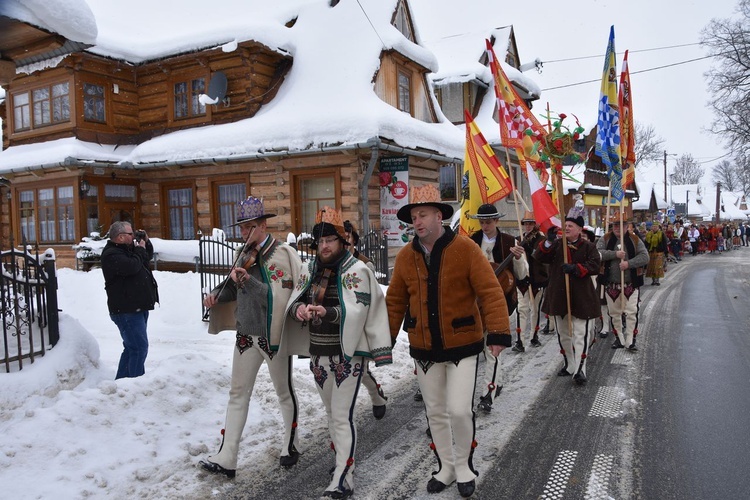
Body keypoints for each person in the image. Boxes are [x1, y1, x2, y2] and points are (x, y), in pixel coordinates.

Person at [386, 185, 511, 498]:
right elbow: (394, 302)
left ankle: (464, 465)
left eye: (423, 214)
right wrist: (381, 342)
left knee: (458, 410)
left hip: (462, 345)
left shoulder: (465, 249)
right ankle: (446, 468)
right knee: (435, 412)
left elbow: (490, 290)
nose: (417, 221)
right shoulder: (404, 257)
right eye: (413, 216)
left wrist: (497, 331)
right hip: (424, 349)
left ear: (439, 216)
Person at [286, 206, 392, 499]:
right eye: (319, 241)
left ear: (342, 241)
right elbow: (292, 302)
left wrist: (329, 312)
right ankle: (341, 462)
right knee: (332, 415)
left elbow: (360, 310)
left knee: (342, 415)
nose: (324, 246)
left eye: (329, 240)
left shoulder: (357, 270)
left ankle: (344, 477)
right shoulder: (309, 270)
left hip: (348, 357)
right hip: (318, 355)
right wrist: (300, 310)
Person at [199, 196, 305, 479]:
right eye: (242, 228)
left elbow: (275, 299)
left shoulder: (281, 254)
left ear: (262, 226)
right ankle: (227, 456)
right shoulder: (243, 253)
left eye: (248, 228)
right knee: (237, 394)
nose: (243, 234)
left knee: (283, 391)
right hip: (245, 335)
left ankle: (290, 443)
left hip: (272, 336)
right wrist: (217, 294)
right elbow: (234, 289)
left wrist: (248, 280)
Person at [468, 204, 526, 413]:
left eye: (489, 222)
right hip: (474, 303)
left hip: (499, 303)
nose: (485, 226)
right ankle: (496, 381)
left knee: (492, 350)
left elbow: (522, 275)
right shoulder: (470, 242)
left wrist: (518, 259)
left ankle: (487, 395)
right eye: (482, 222)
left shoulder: (511, 242)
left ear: (497, 221)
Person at [533, 207, 601, 386]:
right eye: (566, 225)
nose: (568, 228)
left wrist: (576, 268)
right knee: (563, 334)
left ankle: (580, 368)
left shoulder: (588, 246)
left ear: (580, 229)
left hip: (582, 297)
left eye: (571, 225)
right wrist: (547, 242)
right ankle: (569, 364)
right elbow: (539, 257)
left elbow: (594, 265)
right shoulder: (557, 244)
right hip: (559, 295)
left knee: (581, 334)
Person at [101, 221, 159, 379]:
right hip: (126, 310)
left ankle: (122, 385)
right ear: (120, 237)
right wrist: (139, 250)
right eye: (131, 234)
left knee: (132, 348)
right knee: (139, 348)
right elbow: (132, 266)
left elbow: (145, 256)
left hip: (137, 307)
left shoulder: (127, 250)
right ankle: (135, 385)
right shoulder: (112, 255)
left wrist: (145, 242)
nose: (134, 236)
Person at [343, 219, 388, 420]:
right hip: (339, 325)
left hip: (360, 325)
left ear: (354, 239)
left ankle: (375, 394)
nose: (344, 241)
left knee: (359, 371)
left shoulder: (364, 263)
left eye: (347, 236)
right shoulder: (331, 264)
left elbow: (373, 297)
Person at [597, 216, 649, 351]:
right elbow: (597, 254)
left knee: (632, 312)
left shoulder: (635, 239)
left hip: (631, 284)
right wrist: (615, 254)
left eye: (620, 225)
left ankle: (631, 340)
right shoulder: (605, 239)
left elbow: (645, 257)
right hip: (611, 284)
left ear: (627, 227)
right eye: (614, 225)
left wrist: (628, 263)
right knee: (614, 313)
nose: (617, 228)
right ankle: (619, 338)